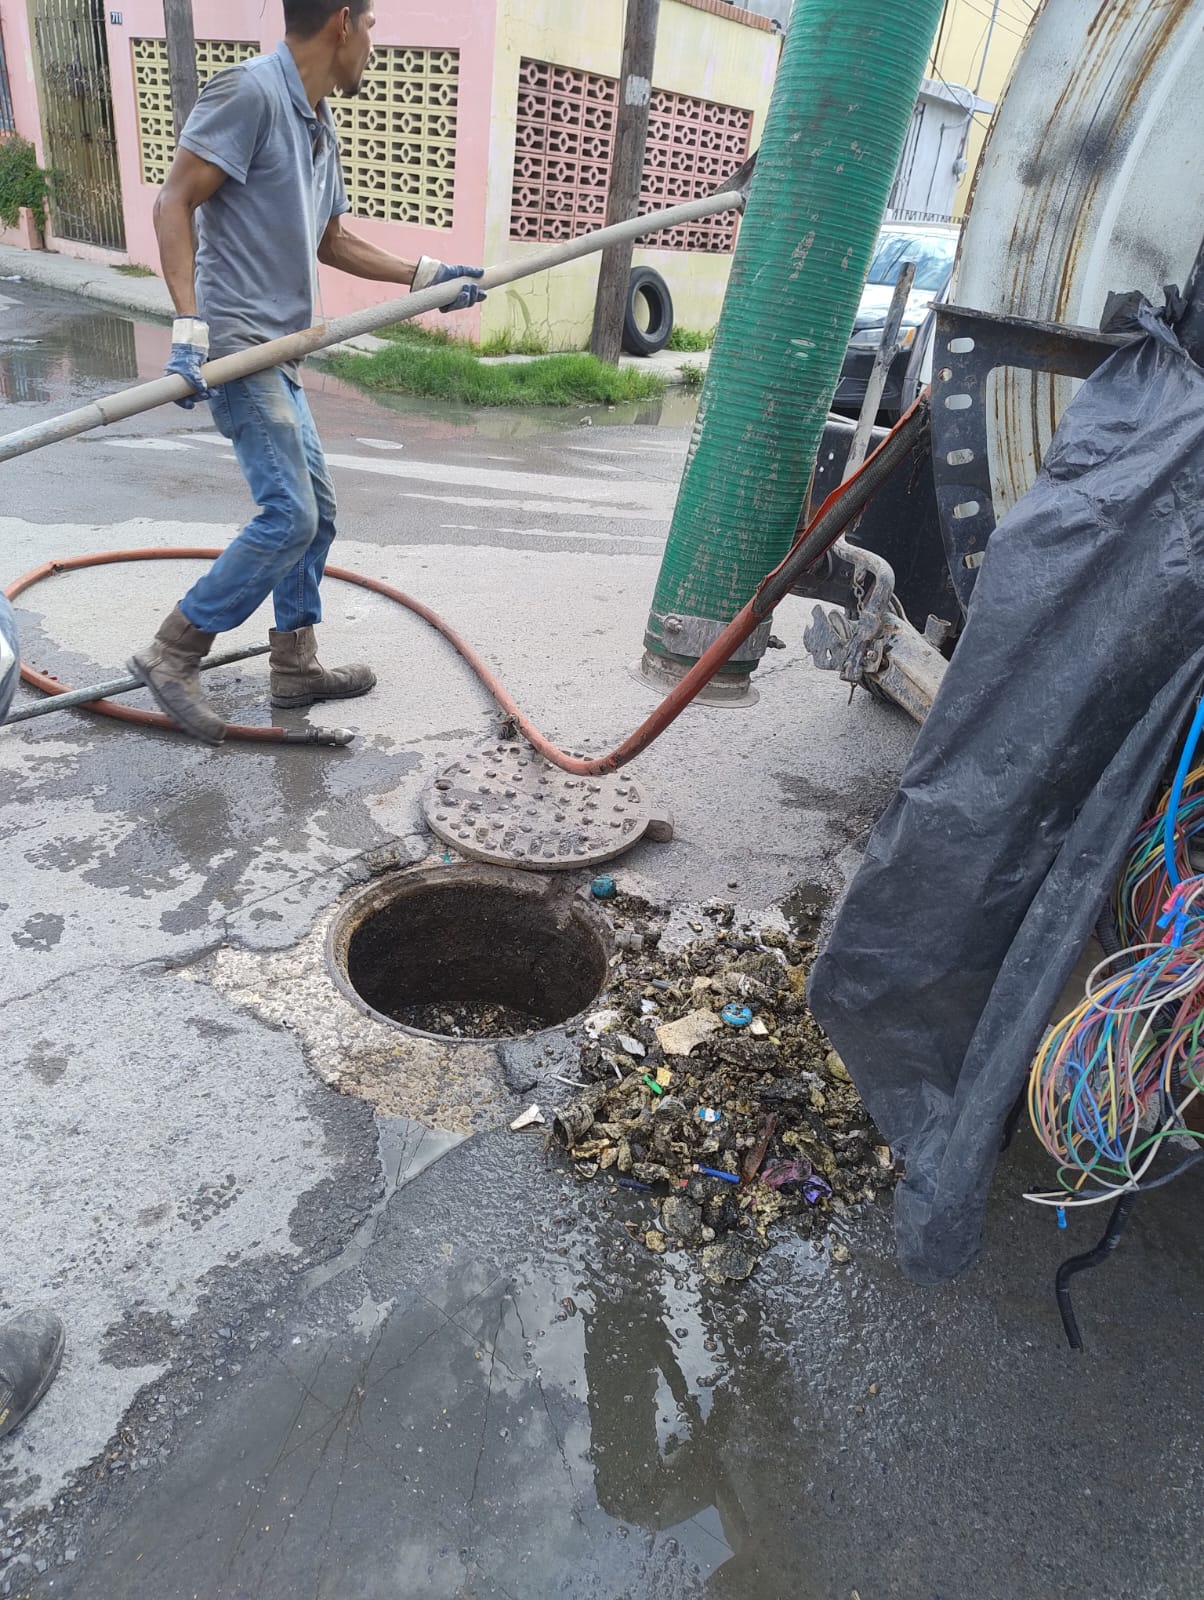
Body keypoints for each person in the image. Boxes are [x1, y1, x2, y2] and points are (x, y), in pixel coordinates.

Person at [129, 0, 485, 744]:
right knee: (290, 514)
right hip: (238, 346)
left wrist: (429, 276)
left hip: (282, 349)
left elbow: (333, 239)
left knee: (318, 511)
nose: (376, 49)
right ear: (344, 23)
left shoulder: (317, 123)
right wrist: (191, 328)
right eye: (377, 30)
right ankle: (174, 649)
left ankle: (294, 664)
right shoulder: (249, 93)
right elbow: (175, 200)